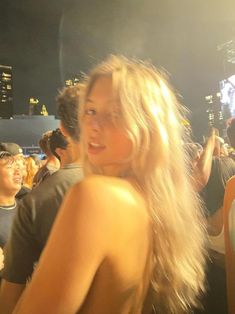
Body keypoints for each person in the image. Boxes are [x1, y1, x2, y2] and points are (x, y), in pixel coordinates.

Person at [11, 56, 206, 314]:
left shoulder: (95, 196)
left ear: (149, 126)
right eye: (90, 110)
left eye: (115, 113)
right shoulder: (158, 203)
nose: (93, 125)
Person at [0, 85, 83, 314]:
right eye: (10, 165)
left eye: (19, 164)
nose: (18, 170)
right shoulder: (38, 201)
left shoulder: (30, 200)